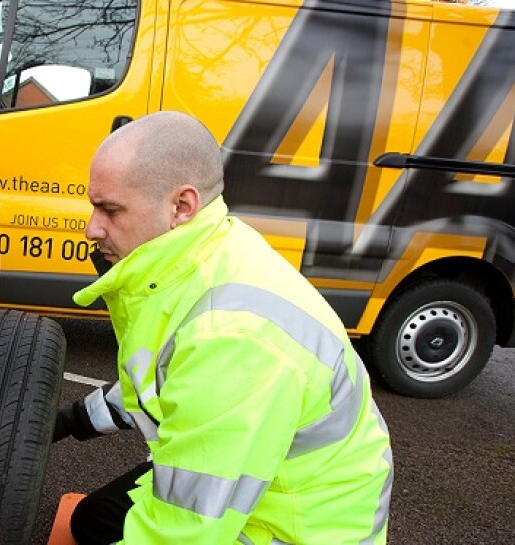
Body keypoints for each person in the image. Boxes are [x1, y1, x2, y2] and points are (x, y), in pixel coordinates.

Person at [53, 111, 393, 545]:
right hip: (268, 479)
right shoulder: (202, 257)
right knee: (92, 521)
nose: (91, 228)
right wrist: (70, 421)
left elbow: (182, 537)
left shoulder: (234, 337)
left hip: (293, 530)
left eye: (110, 210)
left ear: (181, 206)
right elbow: (165, 379)